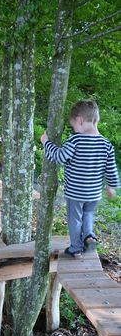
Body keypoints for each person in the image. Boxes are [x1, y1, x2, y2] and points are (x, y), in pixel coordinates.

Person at [40, 99, 119, 257]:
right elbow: (111, 168)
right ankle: (89, 236)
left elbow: (59, 157)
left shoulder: (76, 140)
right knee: (88, 214)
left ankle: (76, 248)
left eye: (74, 125)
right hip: (94, 193)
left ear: (80, 120)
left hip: (76, 193)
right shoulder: (106, 144)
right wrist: (111, 186)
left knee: (75, 219)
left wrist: (46, 142)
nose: (74, 129)